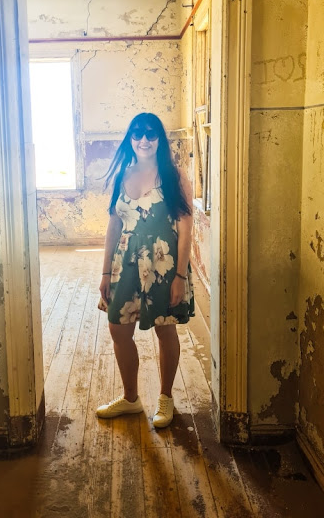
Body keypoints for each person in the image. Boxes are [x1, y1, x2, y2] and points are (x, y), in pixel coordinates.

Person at [96, 112, 194, 428]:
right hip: (123, 263)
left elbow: (185, 225)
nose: (144, 140)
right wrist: (105, 272)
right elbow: (114, 222)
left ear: (159, 139)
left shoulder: (173, 176)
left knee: (165, 328)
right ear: (130, 139)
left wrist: (180, 275)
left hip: (163, 265)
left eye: (151, 134)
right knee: (117, 328)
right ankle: (130, 399)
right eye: (137, 134)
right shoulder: (122, 176)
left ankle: (165, 399)